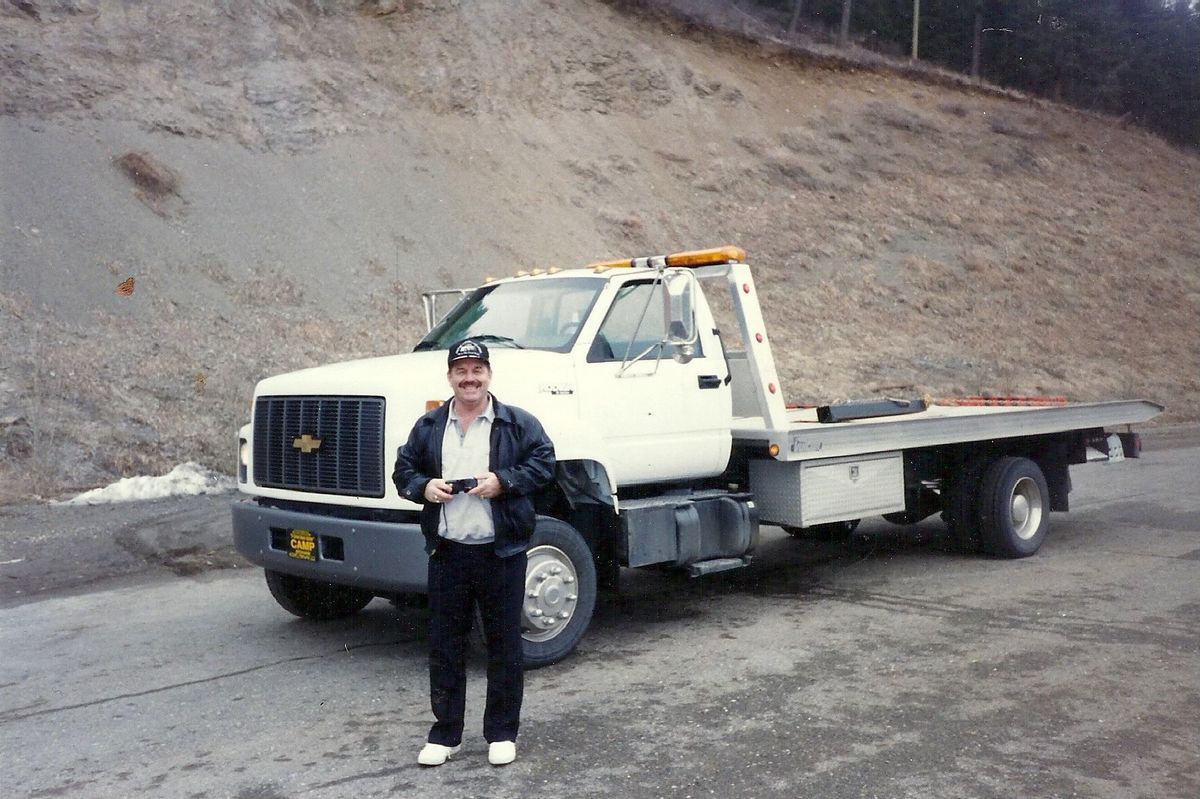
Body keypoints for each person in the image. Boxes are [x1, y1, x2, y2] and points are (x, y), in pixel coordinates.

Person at [393, 338, 556, 767]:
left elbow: (544, 463)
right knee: (445, 646)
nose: (469, 378)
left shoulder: (518, 423)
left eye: (477, 370)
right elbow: (403, 469)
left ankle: (502, 733)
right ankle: (446, 735)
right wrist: (422, 487)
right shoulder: (429, 426)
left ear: (488, 374)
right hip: (448, 553)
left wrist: (503, 480)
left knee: (504, 645)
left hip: (501, 552)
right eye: (461, 371)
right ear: (450, 376)